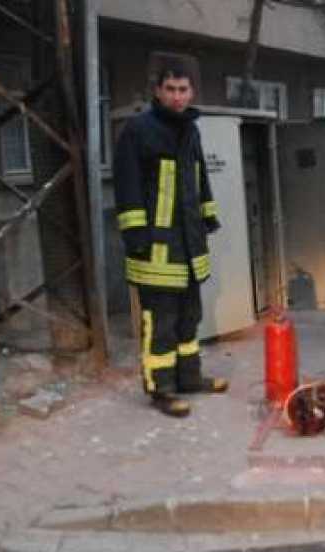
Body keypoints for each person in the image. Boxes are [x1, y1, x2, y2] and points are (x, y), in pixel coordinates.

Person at [113, 61, 228, 418]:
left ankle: (189, 377)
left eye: (183, 89)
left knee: (189, 317)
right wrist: (135, 236)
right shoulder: (138, 130)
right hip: (155, 249)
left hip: (190, 246)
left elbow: (200, 178)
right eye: (171, 89)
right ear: (158, 91)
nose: (177, 96)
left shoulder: (191, 130)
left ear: (191, 92)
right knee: (160, 323)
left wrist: (208, 215)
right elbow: (127, 183)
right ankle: (160, 389)